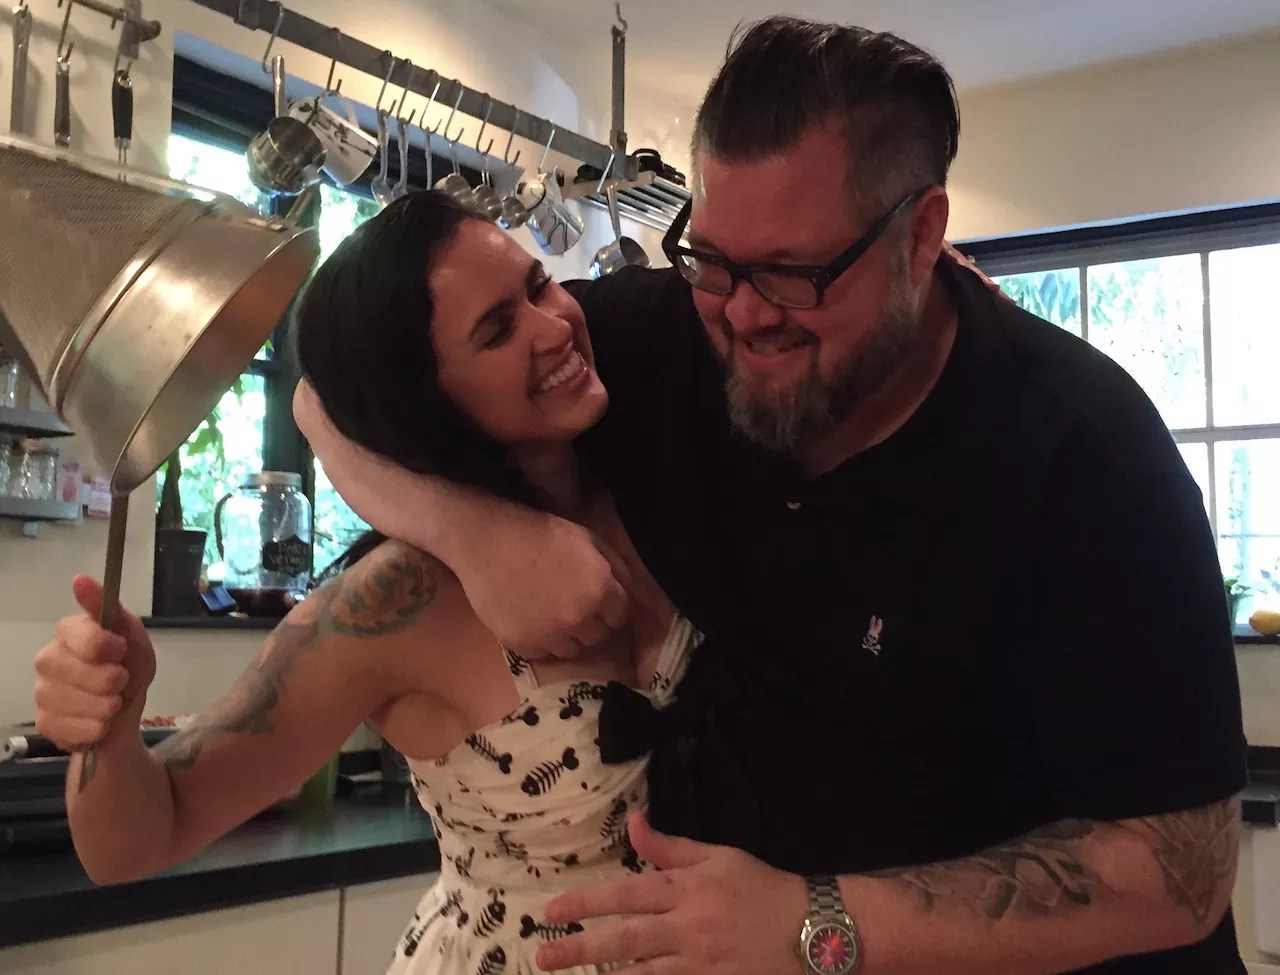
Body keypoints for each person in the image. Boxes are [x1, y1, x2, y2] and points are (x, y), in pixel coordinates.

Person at [296, 15, 1248, 975]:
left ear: (922, 236)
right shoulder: (659, 343)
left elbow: (1184, 870)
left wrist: (815, 921)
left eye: (796, 274)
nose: (745, 316)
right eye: (712, 259)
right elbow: (329, 396)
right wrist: (481, 536)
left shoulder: (1082, 458)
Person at [31, 191, 704, 975]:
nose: (555, 326)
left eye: (539, 285)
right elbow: (137, 839)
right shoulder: (392, 603)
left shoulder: (652, 483)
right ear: (423, 397)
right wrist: (108, 732)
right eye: (497, 330)